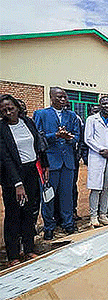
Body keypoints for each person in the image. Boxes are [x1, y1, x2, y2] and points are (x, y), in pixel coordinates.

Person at [0, 94, 49, 267]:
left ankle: (28, 249)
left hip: (31, 171)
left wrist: (45, 166)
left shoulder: (28, 122)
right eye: (4, 110)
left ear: (17, 108)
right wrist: (17, 184)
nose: (8, 112)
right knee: (14, 214)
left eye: (11, 108)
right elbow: (5, 158)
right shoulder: (2, 128)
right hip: (12, 176)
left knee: (29, 212)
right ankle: (13, 253)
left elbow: (38, 146)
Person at [33, 87, 80, 240]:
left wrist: (68, 137)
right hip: (50, 162)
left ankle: (68, 224)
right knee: (48, 196)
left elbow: (77, 136)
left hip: (67, 162)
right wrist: (56, 135)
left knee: (67, 195)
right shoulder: (41, 114)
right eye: (59, 97)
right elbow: (38, 137)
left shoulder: (72, 115)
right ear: (51, 97)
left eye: (65, 97)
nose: (63, 99)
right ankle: (49, 227)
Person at [84, 96, 108, 227]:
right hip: (97, 157)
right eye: (104, 104)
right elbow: (88, 139)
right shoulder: (92, 120)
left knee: (106, 188)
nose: (107, 106)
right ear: (100, 105)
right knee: (96, 188)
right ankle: (93, 216)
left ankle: (103, 215)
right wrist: (103, 150)